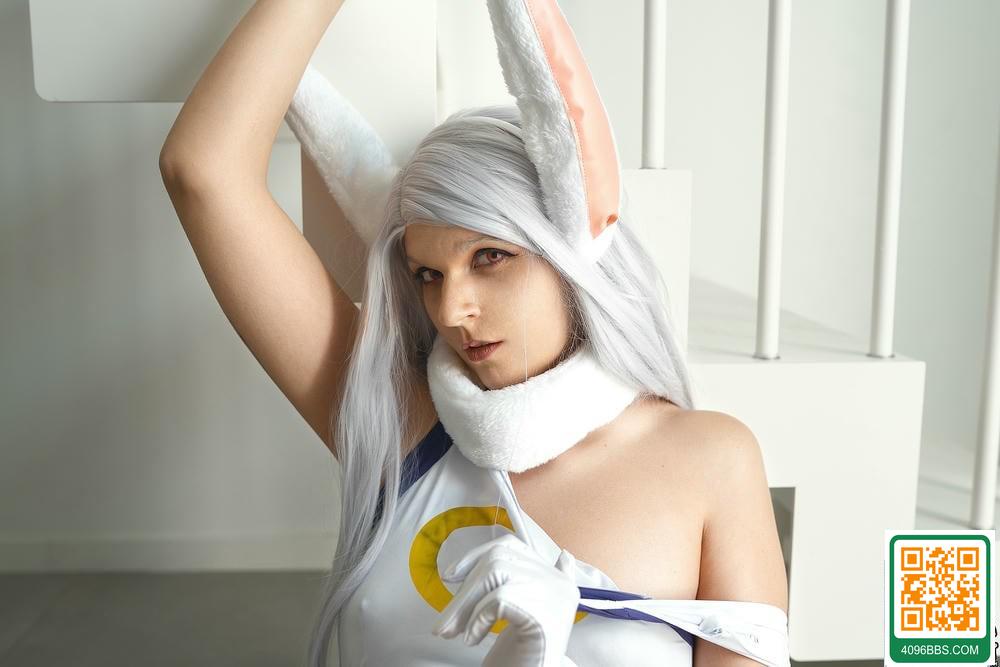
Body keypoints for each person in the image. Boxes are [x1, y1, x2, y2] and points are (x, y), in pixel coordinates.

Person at [160, 0, 790, 665]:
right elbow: (203, 172)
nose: (451, 308)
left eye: (490, 257)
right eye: (427, 274)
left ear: (572, 256)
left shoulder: (711, 460)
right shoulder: (397, 422)